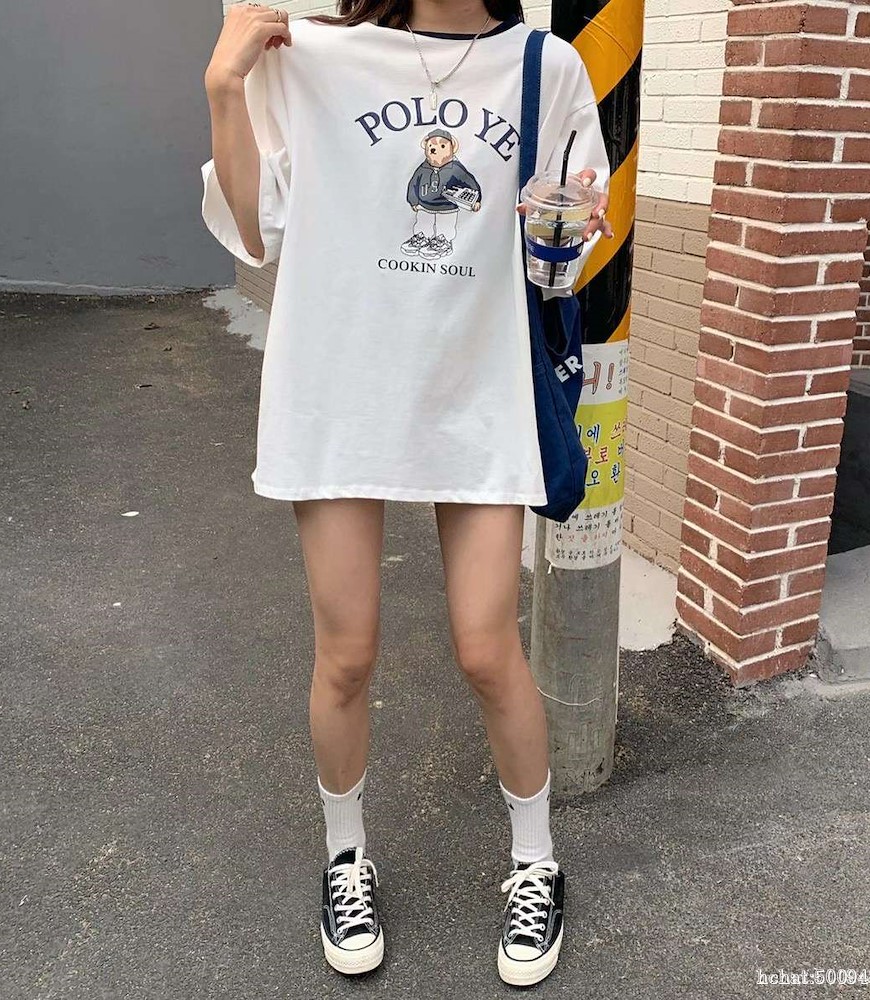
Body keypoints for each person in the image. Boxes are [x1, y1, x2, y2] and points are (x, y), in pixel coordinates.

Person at [200, 0, 612, 986]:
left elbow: (561, 255)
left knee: (486, 647)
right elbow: (255, 231)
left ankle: (535, 862)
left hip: (476, 388)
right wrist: (223, 89)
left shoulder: (544, 67)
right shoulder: (311, 57)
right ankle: (345, 856)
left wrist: (568, 237)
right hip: (341, 389)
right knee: (344, 655)